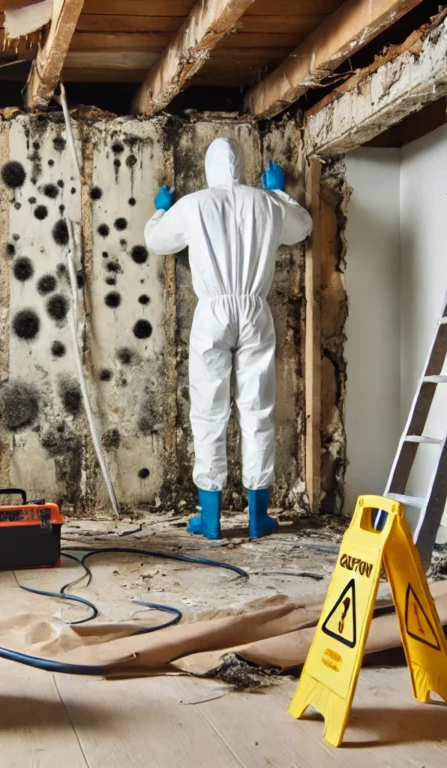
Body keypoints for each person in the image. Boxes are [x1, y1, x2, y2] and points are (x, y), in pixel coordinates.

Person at [144, 138, 312, 540]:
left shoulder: (195, 204)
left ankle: (211, 518)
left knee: (208, 410)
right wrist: (277, 190)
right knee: (257, 407)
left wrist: (161, 209)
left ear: (208, 168)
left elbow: (157, 241)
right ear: (241, 165)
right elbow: (302, 227)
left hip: (213, 312)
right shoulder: (265, 202)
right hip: (254, 309)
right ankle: (258, 517)